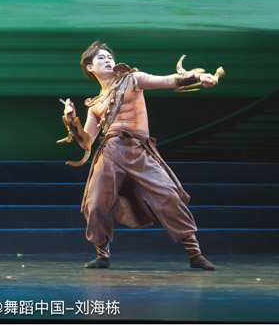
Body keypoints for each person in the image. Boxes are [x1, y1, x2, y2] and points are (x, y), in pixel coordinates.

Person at [60, 41, 218, 270]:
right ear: (90, 67)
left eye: (110, 57)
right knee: (96, 202)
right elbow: (87, 142)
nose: (108, 60)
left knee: (168, 195)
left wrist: (197, 77)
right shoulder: (95, 105)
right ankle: (102, 255)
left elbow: (167, 80)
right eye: (101, 58)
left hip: (138, 150)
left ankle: (195, 254)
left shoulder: (132, 79)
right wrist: (71, 121)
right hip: (109, 152)